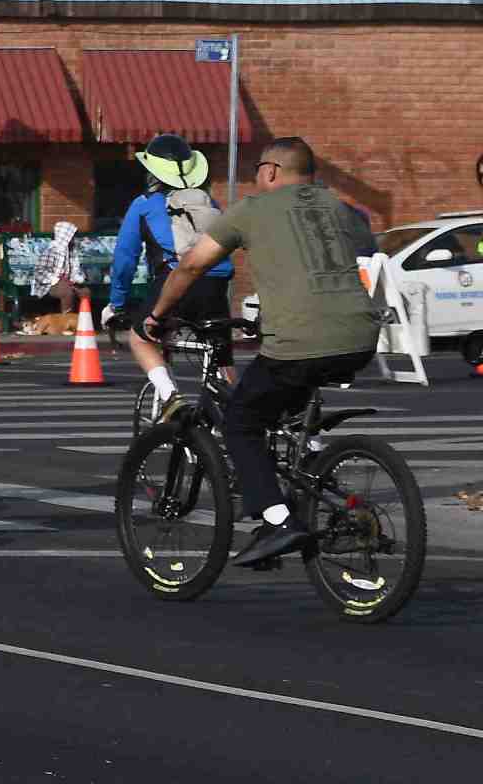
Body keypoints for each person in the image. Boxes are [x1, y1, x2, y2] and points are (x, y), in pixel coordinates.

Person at [144, 137, 382, 568]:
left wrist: (157, 315)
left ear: (271, 171)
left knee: (242, 422)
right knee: (283, 409)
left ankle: (278, 521)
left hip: (299, 342)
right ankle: (309, 487)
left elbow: (193, 265)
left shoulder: (252, 209)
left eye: (257, 169)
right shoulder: (342, 208)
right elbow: (365, 251)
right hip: (362, 337)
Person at [104, 134, 236, 421]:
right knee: (221, 356)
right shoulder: (208, 202)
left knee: (142, 337)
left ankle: (170, 396)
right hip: (218, 286)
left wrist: (116, 304)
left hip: (174, 283)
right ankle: (241, 413)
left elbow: (125, 259)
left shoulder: (143, 204)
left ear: (151, 172)